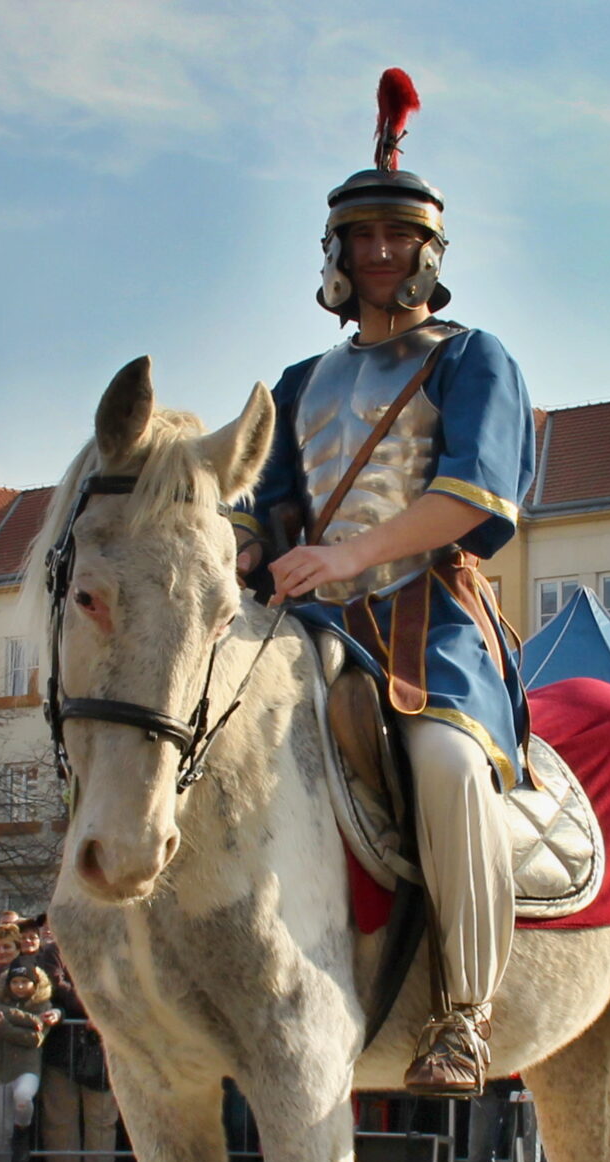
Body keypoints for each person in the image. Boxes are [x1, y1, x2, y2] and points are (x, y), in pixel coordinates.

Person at [231, 69, 538, 1096]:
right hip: (306, 620)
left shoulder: (471, 358)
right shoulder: (294, 385)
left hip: (427, 621)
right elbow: (261, 506)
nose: (376, 252)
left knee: (446, 765)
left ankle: (464, 1012)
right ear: (336, 252)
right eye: (360, 237)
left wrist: (349, 556)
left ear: (425, 252)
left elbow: (476, 498)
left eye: (394, 237)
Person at [38, 957, 121, 1162]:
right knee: (60, 1120)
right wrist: (95, 1007)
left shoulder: (110, 947)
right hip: (61, 1050)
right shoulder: (53, 952)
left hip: (100, 1052)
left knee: (103, 1119)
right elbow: (56, 986)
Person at [0, 961, 57, 1162]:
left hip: (27, 1067)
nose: (20, 986)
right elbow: (25, 1025)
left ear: (35, 985)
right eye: (15, 982)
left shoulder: (45, 1005)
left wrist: (4, 1025)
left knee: (23, 1098)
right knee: (2, 1128)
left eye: (25, 982)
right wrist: (28, 1021)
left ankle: (23, 1128)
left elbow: (35, 1038)